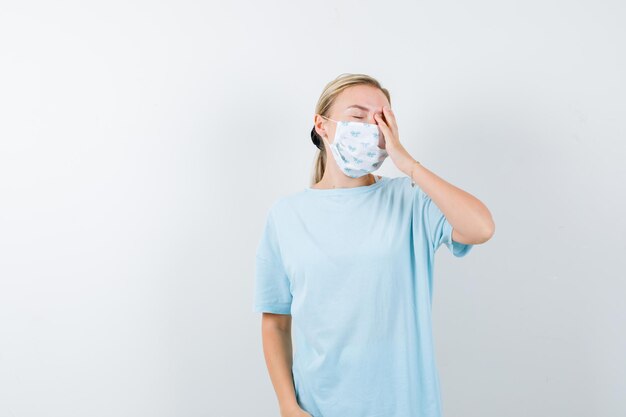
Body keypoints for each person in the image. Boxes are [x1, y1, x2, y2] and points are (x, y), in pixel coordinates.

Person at [253, 73, 495, 417]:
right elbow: (275, 321)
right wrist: (287, 405)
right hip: (319, 407)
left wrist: (407, 163)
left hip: (405, 405)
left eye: (382, 118)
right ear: (322, 125)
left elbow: (480, 227)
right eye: (358, 115)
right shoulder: (286, 216)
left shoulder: (410, 201)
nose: (372, 126)